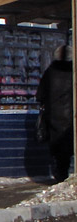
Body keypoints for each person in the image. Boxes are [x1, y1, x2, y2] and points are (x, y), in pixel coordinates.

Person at [36, 45, 74, 183]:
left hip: (54, 119)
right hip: (71, 118)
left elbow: (40, 95)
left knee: (59, 154)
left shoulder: (50, 72)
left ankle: (60, 176)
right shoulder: (74, 72)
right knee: (69, 148)